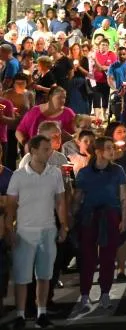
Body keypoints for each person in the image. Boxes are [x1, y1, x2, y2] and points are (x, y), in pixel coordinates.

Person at [7, 135, 70, 329]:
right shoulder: (18, 175)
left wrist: (63, 225)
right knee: (22, 276)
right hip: (24, 232)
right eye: (45, 149)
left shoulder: (55, 174)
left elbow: (60, 201)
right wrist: (9, 228)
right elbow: (11, 205)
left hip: (48, 230)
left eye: (49, 149)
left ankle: (41, 312)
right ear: (32, 151)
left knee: (44, 275)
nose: (49, 152)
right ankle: (20, 315)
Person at [72, 135, 126, 312]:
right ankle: (84, 294)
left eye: (113, 147)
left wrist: (124, 218)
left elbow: (123, 195)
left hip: (110, 214)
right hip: (89, 215)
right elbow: (78, 197)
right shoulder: (84, 172)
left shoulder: (118, 170)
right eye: (108, 148)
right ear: (98, 152)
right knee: (87, 256)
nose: (112, 151)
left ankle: (105, 293)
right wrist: (71, 217)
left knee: (108, 256)